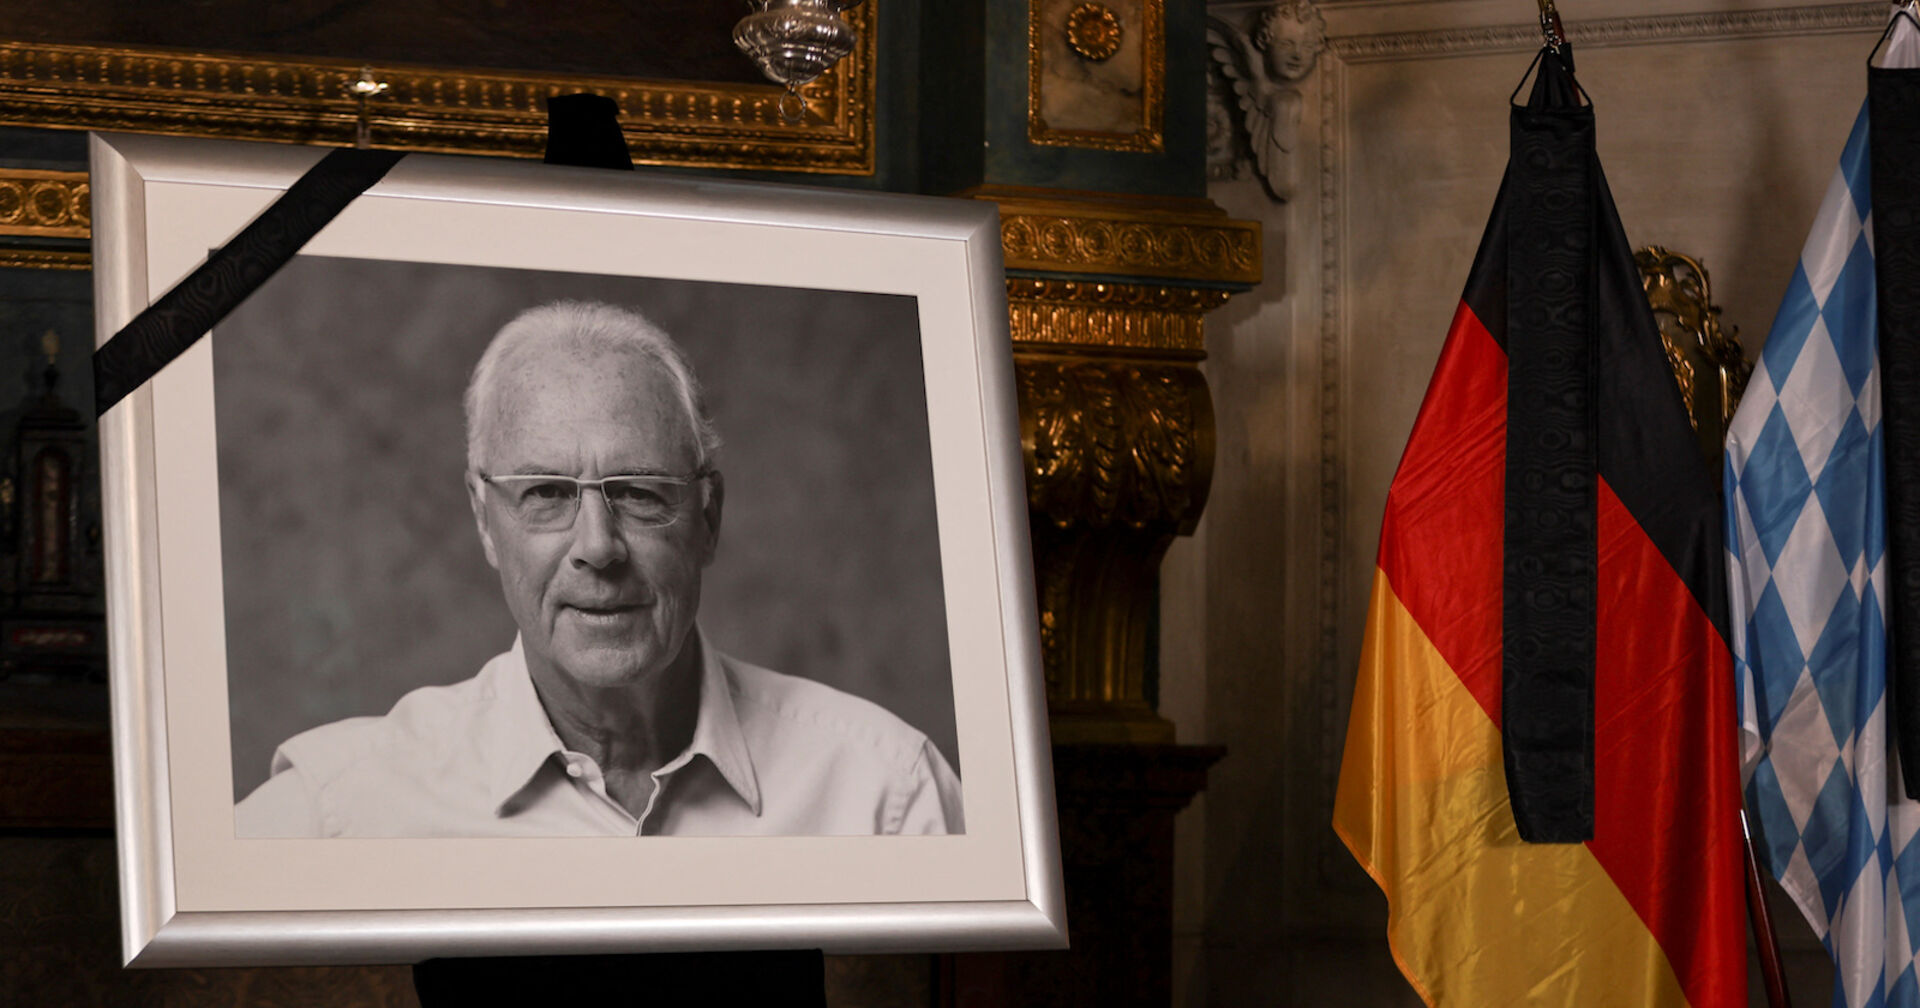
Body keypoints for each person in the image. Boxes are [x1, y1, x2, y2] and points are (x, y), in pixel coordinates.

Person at [234, 300, 963, 837]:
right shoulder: (344, 802)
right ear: (486, 520)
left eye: (640, 493)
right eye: (546, 494)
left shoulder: (884, 789)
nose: (598, 547)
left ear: (707, 518)